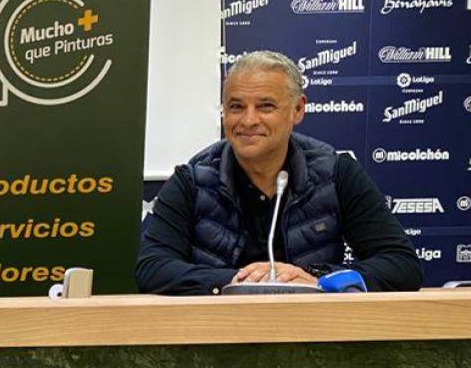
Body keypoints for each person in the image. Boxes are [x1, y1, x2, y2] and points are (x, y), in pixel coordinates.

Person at [136, 51, 423, 295]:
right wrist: (236, 283)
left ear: (297, 110)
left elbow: (401, 265)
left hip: (314, 338)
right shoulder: (192, 180)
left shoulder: (337, 173)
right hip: (216, 338)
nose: (248, 120)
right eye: (236, 107)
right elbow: (152, 268)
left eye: (265, 106)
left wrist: (316, 279)